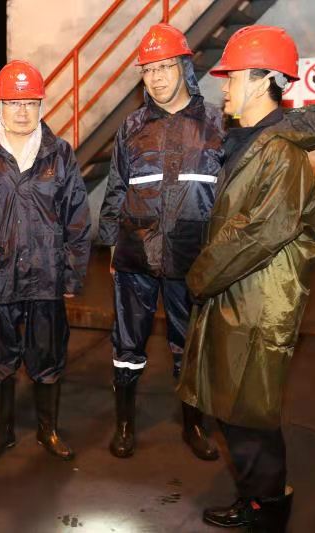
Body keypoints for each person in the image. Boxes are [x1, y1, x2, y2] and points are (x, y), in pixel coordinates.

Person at [175, 26, 315, 531]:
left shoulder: (282, 153)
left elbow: (257, 232)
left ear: (264, 80)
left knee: (250, 417)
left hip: (258, 302)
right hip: (237, 295)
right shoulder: (250, 142)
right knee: (236, 410)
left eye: (234, 77)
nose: (224, 86)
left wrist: (198, 277)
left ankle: (267, 514)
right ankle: (255, 500)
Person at [0, 60, 91, 462]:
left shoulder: (60, 154)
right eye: (13, 102)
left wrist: (72, 275)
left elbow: (78, 217)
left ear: (41, 105)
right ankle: (3, 432)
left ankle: (48, 431)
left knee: (48, 355)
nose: (22, 111)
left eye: (30, 102)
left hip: (46, 276)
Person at [98, 23, 223, 461]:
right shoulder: (132, 126)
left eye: (165, 67)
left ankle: (194, 426)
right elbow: (117, 187)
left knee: (189, 345)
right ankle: (125, 424)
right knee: (126, 345)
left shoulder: (215, 125)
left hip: (192, 256)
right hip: (135, 256)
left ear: (185, 68)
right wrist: (112, 244)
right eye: (148, 70)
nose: (156, 78)